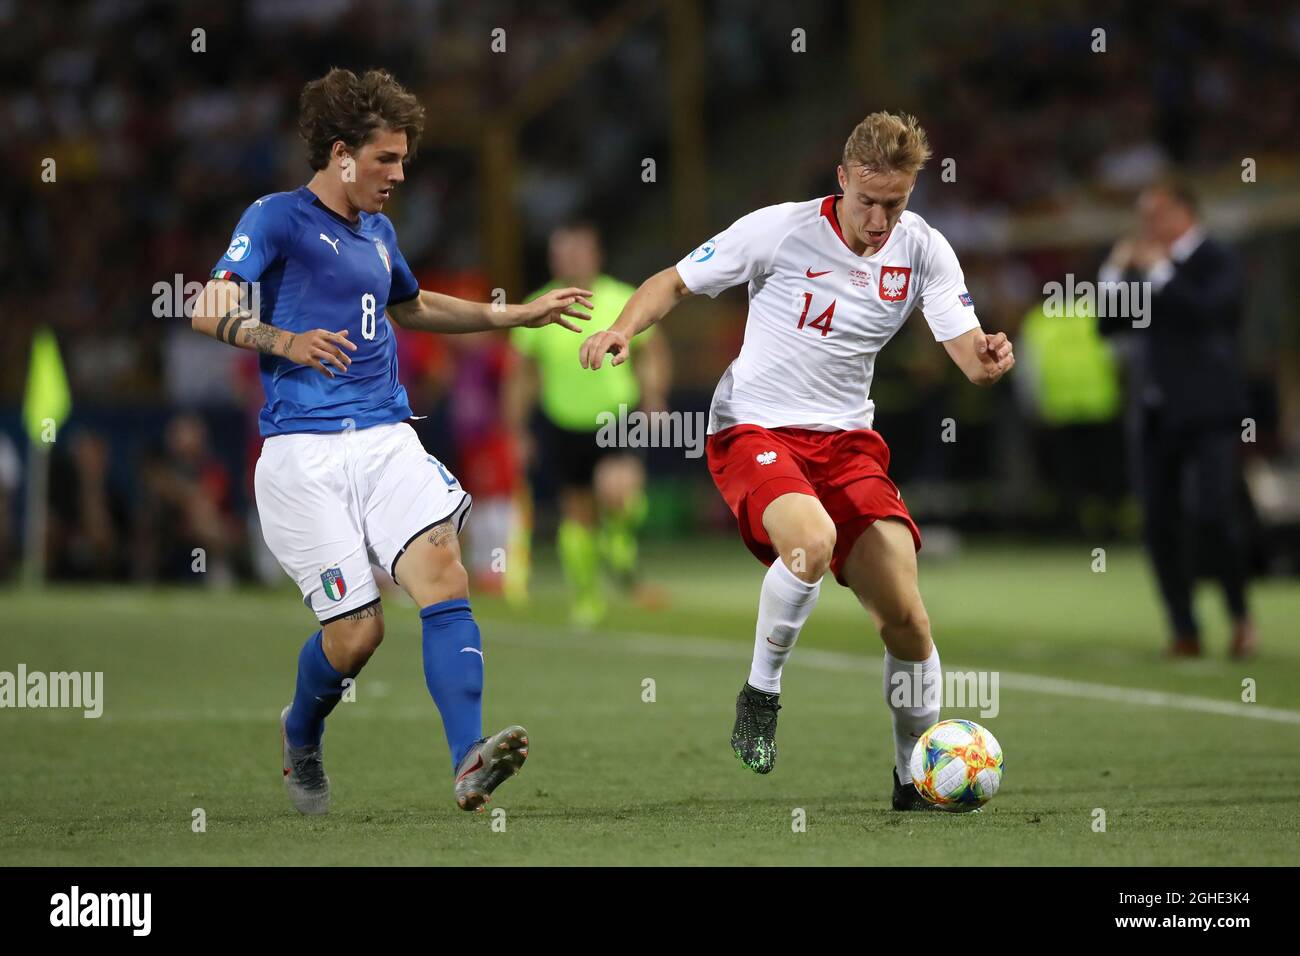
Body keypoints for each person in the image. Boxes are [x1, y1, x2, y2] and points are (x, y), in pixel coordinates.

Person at [581, 111, 1014, 809]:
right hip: (754, 426)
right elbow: (674, 281)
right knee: (811, 544)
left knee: (907, 619)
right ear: (842, 179)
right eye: (868, 201)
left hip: (848, 445)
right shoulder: (780, 229)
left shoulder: (925, 250)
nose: (878, 220)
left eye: (894, 204)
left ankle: (912, 775)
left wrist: (989, 359)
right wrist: (622, 328)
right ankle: (762, 691)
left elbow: (968, 352)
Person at [191, 67, 593, 814]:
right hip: (303, 456)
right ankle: (301, 730)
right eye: (387, 158)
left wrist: (511, 316)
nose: (400, 174)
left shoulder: (379, 233)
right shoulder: (275, 217)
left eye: (405, 159)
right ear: (342, 154)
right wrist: (283, 339)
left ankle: (467, 759)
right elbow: (206, 306)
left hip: (384, 437)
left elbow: (411, 306)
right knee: (358, 635)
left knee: (444, 574)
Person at [1099, 180, 1256, 659]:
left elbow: (1212, 311)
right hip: (1154, 413)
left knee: (1213, 512)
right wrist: (1113, 270)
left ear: (1185, 211)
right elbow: (1108, 323)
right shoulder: (1145, 266)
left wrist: (1161, 270)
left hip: (1210, 411)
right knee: (1159, 522)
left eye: (1157, 213)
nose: (1148, 225)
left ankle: (1239, 614)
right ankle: (1184, 627)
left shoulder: (1217, 257)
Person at [506, 220, 670, 625]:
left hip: (617, 415)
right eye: (563, 252)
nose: (571, 259)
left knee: (619, 491)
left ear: (596, 255)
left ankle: (618, 537)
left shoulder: (623, 298)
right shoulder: (539, 305)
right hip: (564, 422)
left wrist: (653, 398)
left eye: (579, 250)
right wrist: (517, 430)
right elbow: (522, 375)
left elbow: (651, 352)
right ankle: (586, 598)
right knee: (577, 513)